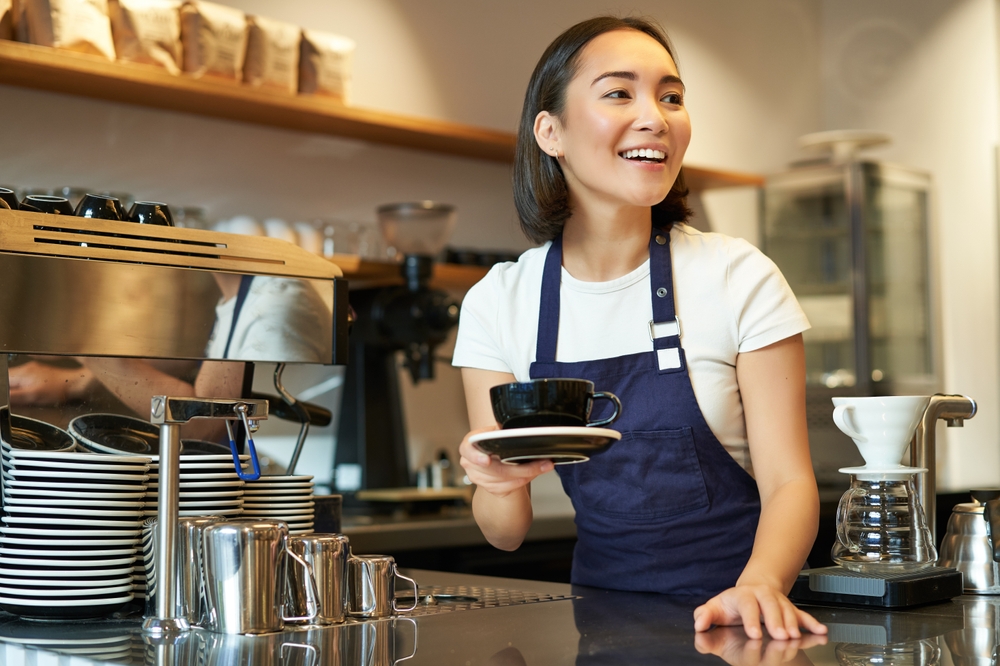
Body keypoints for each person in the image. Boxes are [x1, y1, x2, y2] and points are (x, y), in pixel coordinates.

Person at [453, 16, 827, 640]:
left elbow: (790, 481)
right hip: (602, 629)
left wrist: (762, 581)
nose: (655, 117)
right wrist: (494, 481)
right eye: (619, 92)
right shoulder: (499, 300)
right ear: (551, 132)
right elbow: (506, 532)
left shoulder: (738, 275)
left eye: (671, 97)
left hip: (746, 624)